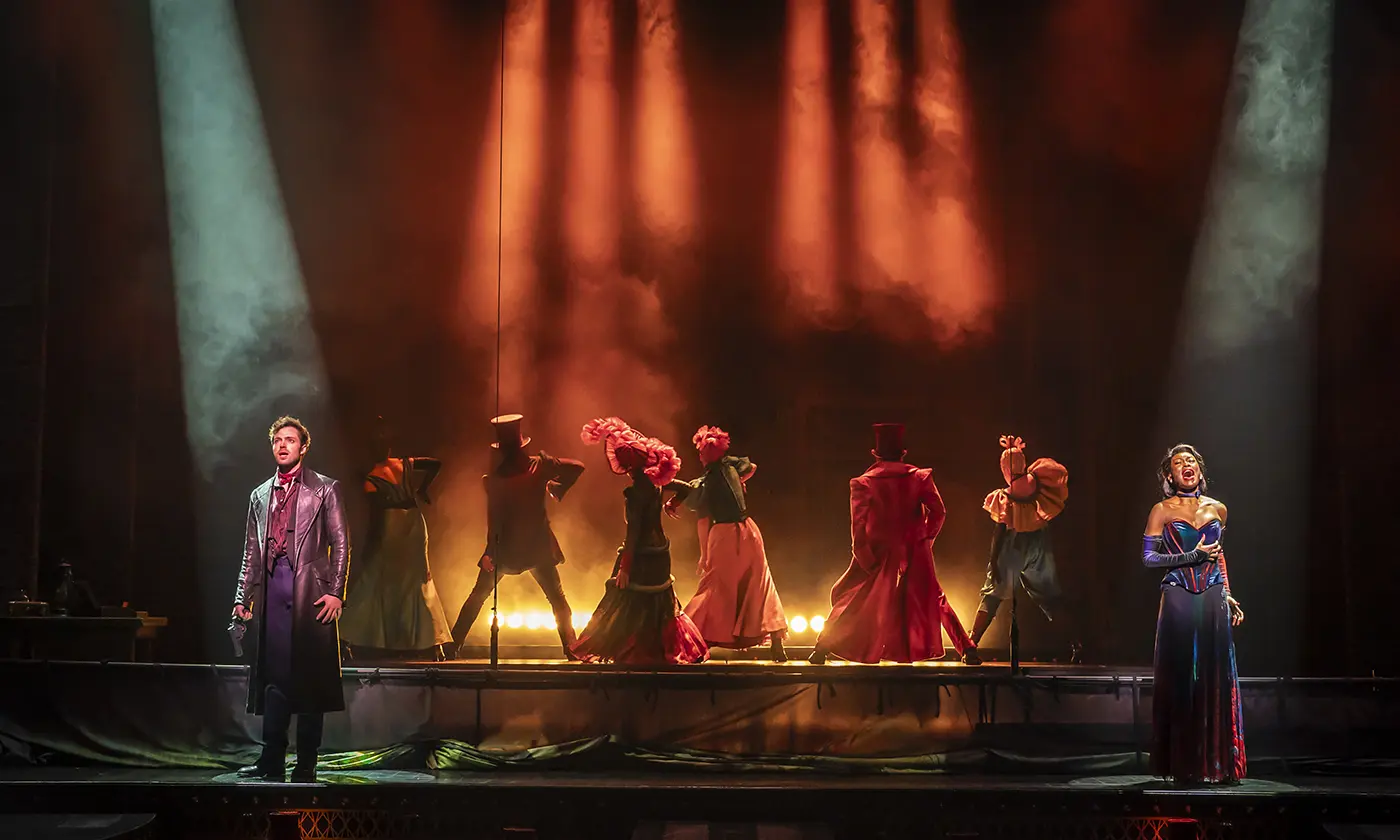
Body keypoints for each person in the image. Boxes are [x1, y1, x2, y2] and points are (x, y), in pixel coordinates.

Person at [231, 416, 350, 783]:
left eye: (290, 440)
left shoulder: (325, 489)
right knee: (274, 678)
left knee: (310, 677)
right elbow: (251, 552)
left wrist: (336, 592)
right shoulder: (259, 495)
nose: (283, 445)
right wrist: (242, 597)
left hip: (311, 591)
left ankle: (306, 763)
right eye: (278, 440)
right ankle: (272, 759)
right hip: (273, 588)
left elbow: (341, 542)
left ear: (303, 446)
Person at [809, 423, 980, 665]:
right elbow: (939, 512)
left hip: (879, 549)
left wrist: (864, 556)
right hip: (914, 547)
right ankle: (968, 649)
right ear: (903, 453)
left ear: (875, 454)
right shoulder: (919, 477)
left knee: (853, 598)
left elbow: (858, 526)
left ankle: (822, 647)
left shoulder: (863, 483)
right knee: (934, 598)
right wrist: (924, 539)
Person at [1142, 443, 1246, 785]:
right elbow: (1149, 559)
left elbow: (1219, 555)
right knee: (1182, 673)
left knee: (1215, 676)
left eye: (1191, 461)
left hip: (1213, 594)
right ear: (1170, 475)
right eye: (1178, 462)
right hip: (1178, 593)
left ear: (1199, 469)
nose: (1186, 465)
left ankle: (1215, 764)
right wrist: (1191, 557)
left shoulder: (1219, 509)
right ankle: (1182, 764)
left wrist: (1227, 593)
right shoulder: (1161, 510)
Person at [571, 417, 709, 665]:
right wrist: (672, 503)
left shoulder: (634, 494)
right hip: (660, 552)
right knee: (660, 605)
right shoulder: (657, 483)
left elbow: (633, 533)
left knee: (629, 603)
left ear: (626, 467)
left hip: (642, 555)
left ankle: (636, 650)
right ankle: (661, 649)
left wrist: (625, 567)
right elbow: (686, 488)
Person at [451, 414, 585, 660]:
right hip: (533, 547)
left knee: (478, 597)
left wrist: (490, 551)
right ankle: (571, 648)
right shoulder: (538, 467)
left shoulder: (495, 479)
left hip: (509, 548)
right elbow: (577, 467)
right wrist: (556, 484)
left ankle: (452, 647)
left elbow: (494, 520)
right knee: (557, 600)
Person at [665, 425, 788, 661]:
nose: (701, 455)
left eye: (703, 451)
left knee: (723, 585)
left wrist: (704, 554)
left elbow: (703, 519)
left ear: (713, 452)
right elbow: (751, 467)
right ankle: (773, 639)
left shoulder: (711, 480)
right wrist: (739, 481)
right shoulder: (725, 469)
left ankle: (694, 640)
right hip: (744, 530)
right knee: (752, 583)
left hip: (730, 534)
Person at [338, 417, 453, 660]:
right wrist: (423, 488)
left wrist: (369, 546)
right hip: (413, 524)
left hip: (392, 527)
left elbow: (375, 518)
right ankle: (434, 644)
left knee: (376, 581)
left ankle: (345, 637)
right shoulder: (404, 464)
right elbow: (436, 464)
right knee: (418, 583)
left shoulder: (372, 479)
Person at [968, 435, 1081, 662]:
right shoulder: (1039, 481)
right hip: (1039, 544)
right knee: (1050, 597)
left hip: (1013, 544)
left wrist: (994, 559)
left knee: (992, 594)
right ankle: (1076, 644)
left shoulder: (1005, 496)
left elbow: (1000, 530)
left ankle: (970, 645)